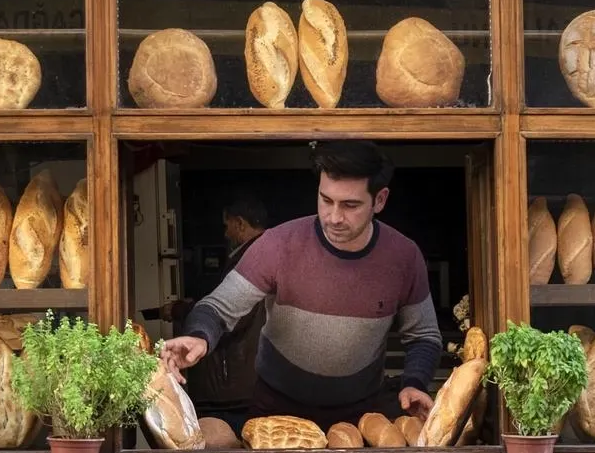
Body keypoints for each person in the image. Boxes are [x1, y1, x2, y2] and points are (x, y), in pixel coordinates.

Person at [163, 141, 443, 432]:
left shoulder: (403, 256)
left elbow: (424, 335)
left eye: (350, 205)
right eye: (326, 200)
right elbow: (217, 308)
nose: (334, 217)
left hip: (360, 419)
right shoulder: (278, 244)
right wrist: (199, 336)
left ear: (380, 200)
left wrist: (415, 382)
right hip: (275, 413)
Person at [159, 197, 269, 432]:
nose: (226, 233)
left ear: (240, 224)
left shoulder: (250, 258)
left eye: (227, 225)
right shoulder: (263, 253)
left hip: (236, 385)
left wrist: (182, 311)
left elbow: (232, 314)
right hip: (247, 381)